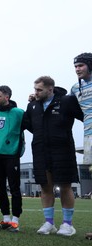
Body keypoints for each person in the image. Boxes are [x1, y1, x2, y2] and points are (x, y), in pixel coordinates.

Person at [24, 76, 83, 236]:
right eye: (35, 89)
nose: (35, 92)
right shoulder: (33, 106)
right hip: (40, 151)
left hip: (63, 150)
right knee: (45, 186)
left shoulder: (66, 101)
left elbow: (85, 116)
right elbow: (31, 126)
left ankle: (67, 225)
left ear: (50, 89)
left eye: (39, 90)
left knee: (65, 186)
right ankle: (49, 223)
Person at [0, 85, 24, 232]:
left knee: (14, 188)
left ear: (7, 97)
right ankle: (6, 219)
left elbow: (32, 126)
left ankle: (15, 221)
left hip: (12, 156)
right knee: (0, 188)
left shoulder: (19, 113)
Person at [70, 53, 92, 239]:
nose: (77, 69)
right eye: (76, 66)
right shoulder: (76, 87)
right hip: (89, 135)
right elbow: (70, 107)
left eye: (81, 65)